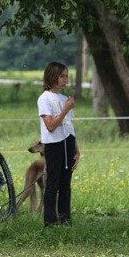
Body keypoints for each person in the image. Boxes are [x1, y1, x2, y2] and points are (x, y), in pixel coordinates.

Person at [37, 61, 80, 227]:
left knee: (65, 183)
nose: (65, 80)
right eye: (62, 76)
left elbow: (69, 126)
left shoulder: (64, 99)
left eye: (66, 76)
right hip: (54, 144)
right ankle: (50, 221)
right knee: (52, 183)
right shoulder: (44, 99)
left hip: (68, 142)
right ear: (52, 76)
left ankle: (65, 219)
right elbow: (51, 126)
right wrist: (66, 109)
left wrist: (77, 150)